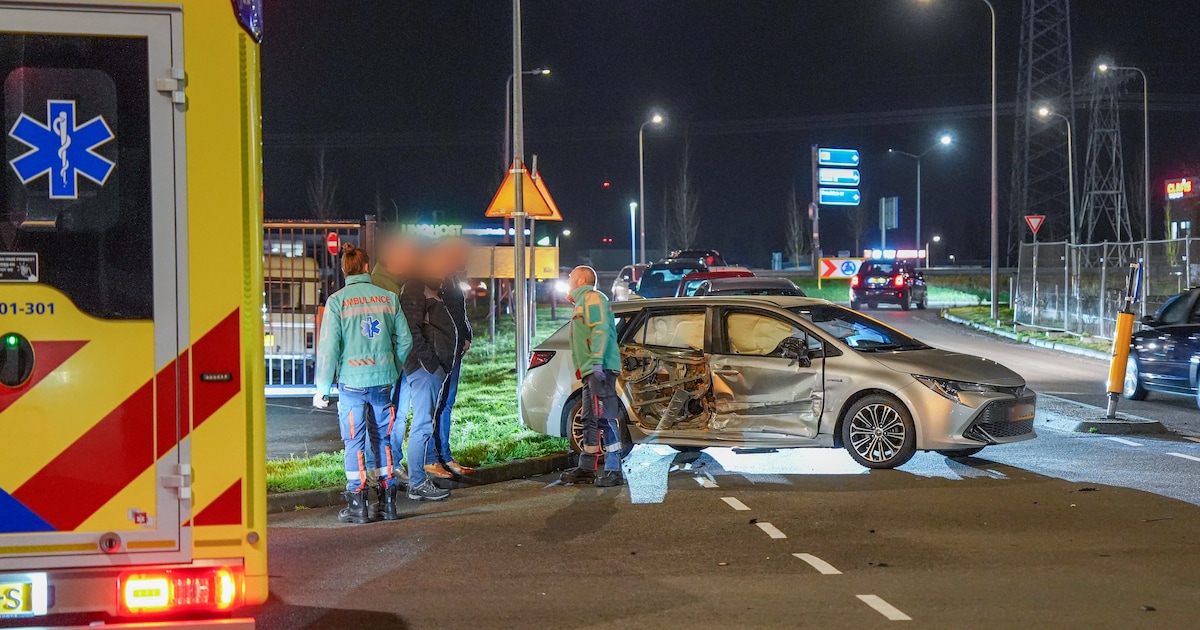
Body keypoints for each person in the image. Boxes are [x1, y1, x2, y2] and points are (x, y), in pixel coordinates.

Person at [314, 243, 413, 523]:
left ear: (345, 270)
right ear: (367, 268)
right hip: (383, 383)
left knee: (354, 443)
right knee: (382, 440)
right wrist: (392, 368)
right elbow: (405, 340)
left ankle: (358, 505)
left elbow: (329, 349)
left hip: (352, 384)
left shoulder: (337, 301)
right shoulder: (389, 298)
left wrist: (322, 389)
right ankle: (388, 503)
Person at [400, 252, 458, 501]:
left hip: (431, 367)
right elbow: (410, 329)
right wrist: (431, 363)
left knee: (424, 424)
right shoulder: (416, 288)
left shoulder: (431, 288)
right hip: (425, 368)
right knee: (422, 425)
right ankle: (417, 483)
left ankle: (417, 481)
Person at [560, 266, 625, 487]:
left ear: (580, 280)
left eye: (570, 277)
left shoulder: (593, 298)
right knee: (590, 419)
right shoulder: (583, 301)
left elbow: (600, 330)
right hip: (592, 370)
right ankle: (587, 469)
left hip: (601, 369)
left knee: (605, 418)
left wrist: (597, 361)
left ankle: (614, 470)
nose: (568, 280)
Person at [370, 233, 421, 488]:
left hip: (394, 363)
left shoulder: (392, 281)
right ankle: (383, 468)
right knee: (390, 416)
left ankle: (390, 464)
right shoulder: (381, 285)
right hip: (390, 365)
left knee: (397, 415)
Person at [424, 237, 475, 478]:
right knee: (434, 407)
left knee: (446, 404)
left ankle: (445, 456)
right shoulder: (432, 277)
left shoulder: (452, 278)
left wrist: (467, 336)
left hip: (454, 352)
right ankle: (431, 458)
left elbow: (459, 312)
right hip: (439, 353)